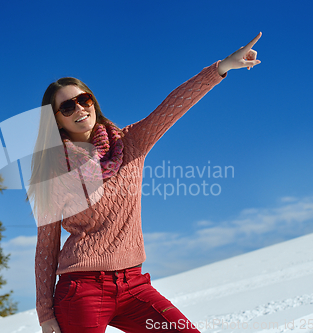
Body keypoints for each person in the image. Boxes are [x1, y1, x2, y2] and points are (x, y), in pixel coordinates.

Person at [28, 32, 262, 333]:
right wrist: (45, 314)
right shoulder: (54, 173)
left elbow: (171, 107)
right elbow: (46, 248)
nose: (79, 109)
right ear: (56, 120)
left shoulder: (131, 142)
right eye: (67, 107)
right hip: (81, 290)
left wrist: (221, 68)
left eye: (82, 100)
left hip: (134, 285)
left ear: (93, 102)